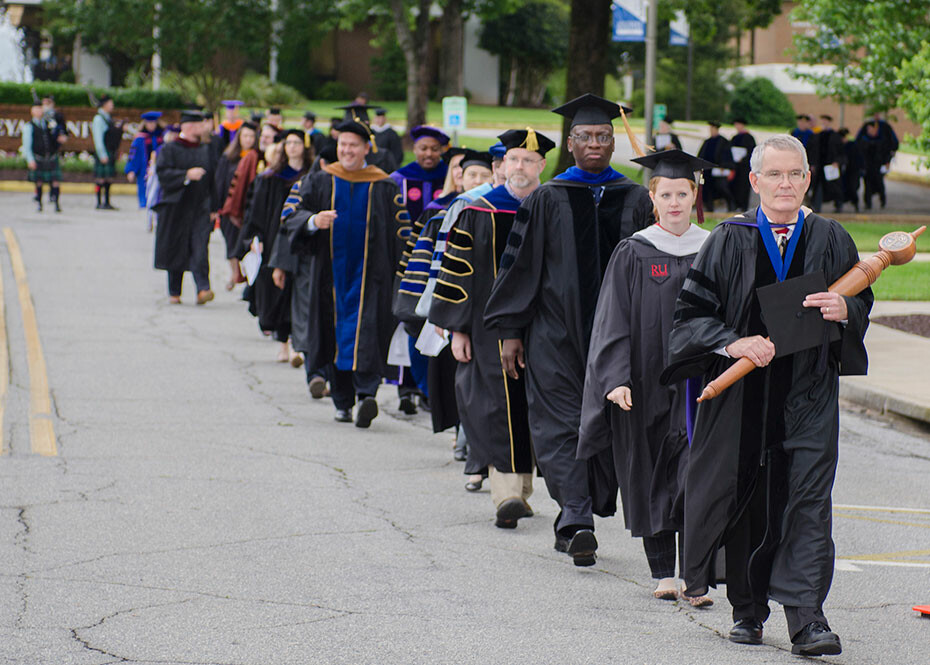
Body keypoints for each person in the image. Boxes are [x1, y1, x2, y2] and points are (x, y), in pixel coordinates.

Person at [662, 134, 871, 656]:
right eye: (774, 174)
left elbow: (861, 298)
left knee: (807, 502)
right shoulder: (728, 240)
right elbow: (691, 317)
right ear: (754, 181)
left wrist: (847, 313)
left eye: (795, 174)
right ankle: (748, 611)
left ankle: (808, 619)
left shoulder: (831, 237)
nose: (785, 184)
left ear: (807, 179)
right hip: (742, 402)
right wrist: (732, 341)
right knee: (747, 500)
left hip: (809, 394)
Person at [484, 93, 653, 566]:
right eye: (585, 137)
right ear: (571, 143)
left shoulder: (636, 198)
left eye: (603, 136)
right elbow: (519, 269)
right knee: (558, 423)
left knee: (608, 420)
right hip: (553, 336)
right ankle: (576, 517)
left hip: (619, 338)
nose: (595, 144)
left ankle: (582, 508)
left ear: (613, 141)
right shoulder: (547, 198)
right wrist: (511, 332)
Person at [578, 149, 713, 605]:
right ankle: (663, 572)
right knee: (651, 470)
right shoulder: (634, 250)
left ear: (695, 195)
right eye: (665, 194)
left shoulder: (714, 247)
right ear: (652, 198)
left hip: (702, 380)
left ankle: (695, 577)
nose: (674, 203)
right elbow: (611, 319)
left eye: (682, 193)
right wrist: (614, 378)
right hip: (644, 382)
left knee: (699, 474)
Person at [430, 130, 554, 529]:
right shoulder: (478, 210)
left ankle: (523, 490)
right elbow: (457, 274)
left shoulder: (553, 209)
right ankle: (506, 493)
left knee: (534, 404)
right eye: (514, 160)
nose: (520, 167)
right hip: (486, 328)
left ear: (542, 166)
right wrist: (458, 329)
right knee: (494, 404)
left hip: (544, 327)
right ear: (502, 165)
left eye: (528, 161)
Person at [281, 119, 408, 427]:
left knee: (369, 333)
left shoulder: (385, 185)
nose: (347, 150)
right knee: (334, 332)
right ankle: (341, 401)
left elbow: (403, 234)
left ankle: (366, 395)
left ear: (367, 149)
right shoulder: (320, 180)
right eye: (343, 145)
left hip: (373, 278)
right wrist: (313, 221)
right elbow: (289, 216)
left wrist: (403, 277)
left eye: (354, 145)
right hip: (329, 277)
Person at [390, 125, 451, 413]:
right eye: (423, 148)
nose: (429, 154)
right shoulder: (398, 179)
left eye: (434, 149)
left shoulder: (449, 180)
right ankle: (405, 387)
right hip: (406, 264)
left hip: (435, 265)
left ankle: (429, 388)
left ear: (442, 151)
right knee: (405, 323)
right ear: (414, 149)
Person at [237, 128, 312, 363]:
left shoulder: (313, 177)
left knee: (297, 292)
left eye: (297, 142)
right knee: (279, 293)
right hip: (273, 244)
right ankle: (283, 345)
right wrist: (254, 239)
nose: (292, 147)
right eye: (288, 143)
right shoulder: (269, 178)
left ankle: (297, 346)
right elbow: (255, 213)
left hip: (302, 242)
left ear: (305, 147)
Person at [153, 110, 215, 305]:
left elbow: (214, 179)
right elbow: (162, 173)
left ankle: (203, 288)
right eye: (198, 125)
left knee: (200, 246)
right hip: (176, 206)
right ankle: (174, 292)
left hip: (200, 206)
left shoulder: (205, 150)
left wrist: (214, 206)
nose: (203, 128)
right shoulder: (170, 149)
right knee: (176, 247)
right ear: (188, 127)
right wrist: (186, 175)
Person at [213, 122, 259, 290]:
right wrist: (217, 206)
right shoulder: (229, 156)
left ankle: (247, 275)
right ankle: (235, 273)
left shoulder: (257, 158)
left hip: (248, 209)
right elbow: (219, 181)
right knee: (231, 243)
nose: (248, 139)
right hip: (229, 208)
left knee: (244, 244)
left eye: (251, 136)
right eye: (245, 136)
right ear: (239, 137)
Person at [22, 100, 63, 213]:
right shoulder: (29, 126)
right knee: (39, 182)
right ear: (32, 111)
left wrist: (59, 139)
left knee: (55, 181)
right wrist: (30, 160)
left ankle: (56, 203)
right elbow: (27, 145)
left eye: (41, 108)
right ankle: (39, 204)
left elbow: (55, 138)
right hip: (38, 157)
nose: (40, 111)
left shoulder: (49, 124)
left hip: (51, 156)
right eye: (37, 109)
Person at [124, 111, 165, 209]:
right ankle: (144, 204)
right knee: (143, 187)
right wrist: (131, 170)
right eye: (148, 123)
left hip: (160, 168)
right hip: (144, 169)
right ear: (145, 124)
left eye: (153, 122)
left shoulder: (162, 137)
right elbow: (134, 155)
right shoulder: (140, 138)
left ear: (157, 123)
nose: (151, 125)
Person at [809, 114, 845, 213]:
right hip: (819, 165)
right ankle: (816, 206)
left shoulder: (835, 136)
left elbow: (841, 152)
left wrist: (837, 162)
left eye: (826, 121)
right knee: (818, 187)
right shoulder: (817, 135)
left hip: (831, 166)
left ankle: (838, 205)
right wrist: (812, 164)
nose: (824, 123)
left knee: (835, 187)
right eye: (823, 121)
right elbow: (812, 151)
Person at [92, 95, 122, 210]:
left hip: (110, 150)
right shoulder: (98, 119)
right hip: (103, 152)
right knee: (100, 178)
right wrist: (102, 154)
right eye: (110, 103)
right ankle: (99, 202)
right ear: (104, 104)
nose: (112, 106)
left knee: (108, 178)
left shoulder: (108, 117)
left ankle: (107, 202)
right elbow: (98, 139)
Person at [697, 121, 734, 212]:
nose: (711, 131)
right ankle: (709, 208)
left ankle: (731, 204)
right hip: (707, 170)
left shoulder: (723, 141)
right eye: (710, 129)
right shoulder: (707, 141)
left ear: (717, 129)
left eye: (713, 129)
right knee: (706, 189)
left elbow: (727, 156)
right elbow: (701, 155)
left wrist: (723, 166)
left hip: (718, 170)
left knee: (721, 188)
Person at [858, 120, 890, 210]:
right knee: (867, 186)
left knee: (880, 185)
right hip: (867, 167)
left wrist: (887, 162)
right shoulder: (864, 140)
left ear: (875, 129)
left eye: (870, 128)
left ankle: (882, 201)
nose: (868, 130)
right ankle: (868, 204)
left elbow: (886, 153)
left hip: (878, 166)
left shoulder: (882, 139)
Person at [730, 119, 756, 210]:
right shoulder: (734, 137)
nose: (737, 127)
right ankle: (736, 205)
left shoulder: (749, 137)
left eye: (739, 124)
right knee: (735, 186)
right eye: (736, 124)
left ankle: (744, 206)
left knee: (744, 186)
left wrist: (743, 159)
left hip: (745, 167)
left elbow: (751, 152)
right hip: (736, 167)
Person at [838, 128, 863, 212]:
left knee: (853, 188)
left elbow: (858, 159)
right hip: (844, 172)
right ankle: (840, 205)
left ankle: (855, 204)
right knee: (841, 188)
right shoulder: (840, 146)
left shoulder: (853, 146)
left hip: (853, 171)